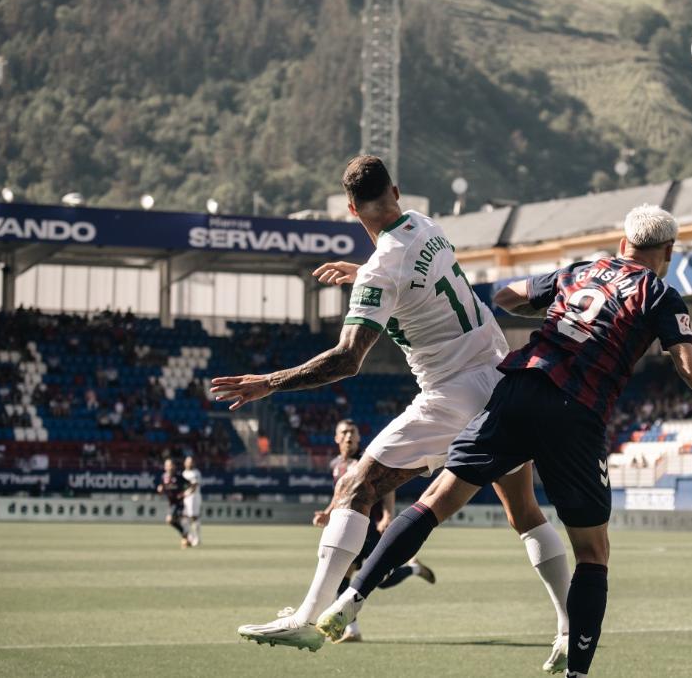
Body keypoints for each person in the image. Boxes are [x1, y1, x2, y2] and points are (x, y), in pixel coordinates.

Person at [316, 204, 692, 678]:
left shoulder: (581, 271)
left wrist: (543, 306)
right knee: (593, 551)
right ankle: (577, 673)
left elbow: (506, 295)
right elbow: (687, 365)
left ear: (623, 243)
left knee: (437, 499)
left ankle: (353, 597)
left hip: (519, 387)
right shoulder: (660, 294)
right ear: (667, 252)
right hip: (576, 411)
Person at [214, 155, 572, 669]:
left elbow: (345, 360)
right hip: (503, 376)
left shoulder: (382, 269)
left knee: (354, 488)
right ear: (398, 192)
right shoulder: (427, 227)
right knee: (523, 511)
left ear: (350, 208)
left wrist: (265, 383)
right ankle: (567, 624)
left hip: (452, 393)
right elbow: (425, 282)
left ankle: (308, 616)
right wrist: (364, 276)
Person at [325, 419, 435, 644]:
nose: (348, 437)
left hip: (371, 528)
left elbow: (387, 487)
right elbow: (341, 494)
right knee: (341, 579)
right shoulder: (335, 464)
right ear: (336, 438)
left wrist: (387, 515)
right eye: (344, 433)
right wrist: (327, 512)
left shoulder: (366, 460)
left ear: (358, 437)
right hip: (349, 528)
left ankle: (413, 569)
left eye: (352, 432)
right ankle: (352, 630)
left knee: (381, 580)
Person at [157, 458, 190, 548]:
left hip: (179, 503)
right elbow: (161, 487)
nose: (169, 467)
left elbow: (190, 485)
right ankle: (185, 535)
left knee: (170, 519)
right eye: (167, 465)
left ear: (174, 466)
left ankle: (185, 536)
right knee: (172, 521)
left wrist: (184, 493)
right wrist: (160, 489)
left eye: (170, 465)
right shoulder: (164, 477)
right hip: (171, 503)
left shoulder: (179, 477)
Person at [182, 455, 203, 548]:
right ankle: (190, 537)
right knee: (185, 518)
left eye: (191, 462)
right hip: (186, 498)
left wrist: (186, 493)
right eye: (187, 462)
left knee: (193, 517)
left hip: (193, 497)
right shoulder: (184, 473)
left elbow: (194, 486)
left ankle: (197, 538)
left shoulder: (195, 473)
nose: (189, 463)